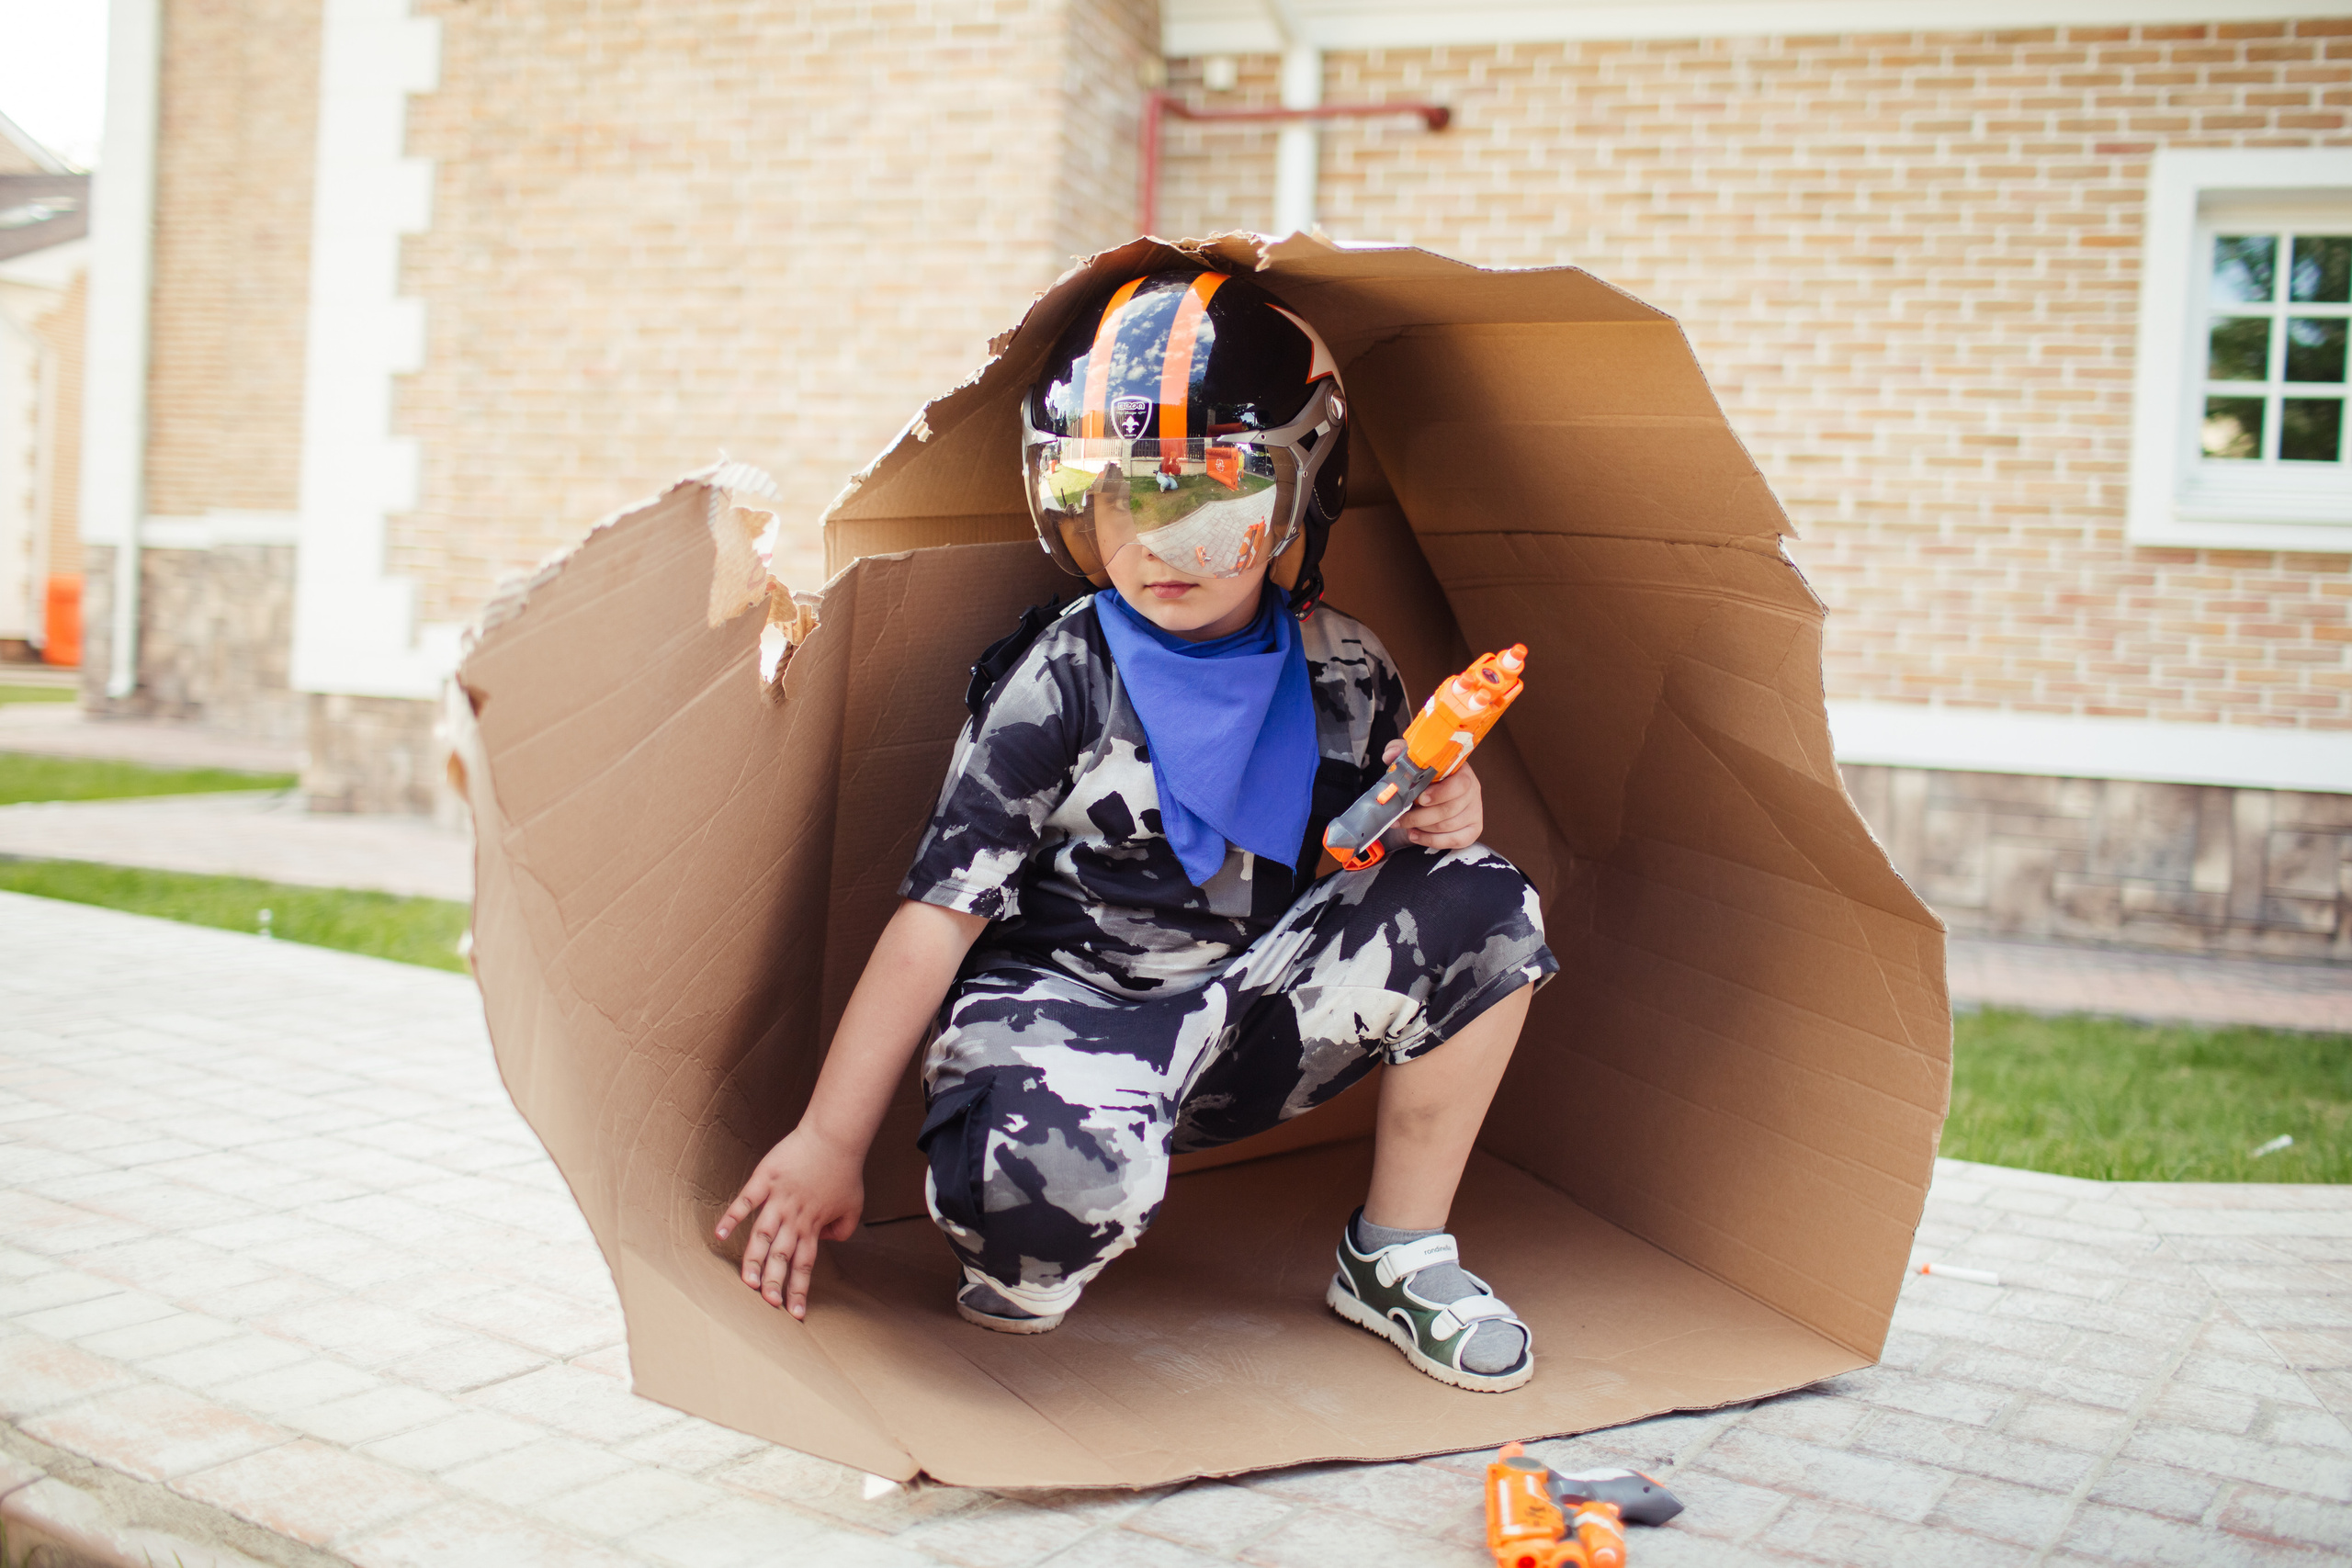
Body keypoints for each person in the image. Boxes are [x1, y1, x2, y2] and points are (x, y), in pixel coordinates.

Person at [717, 267, 1555, 1392]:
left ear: (1297, 494)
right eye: (1117, 498)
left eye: (1208, 501)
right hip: (1070, 1017)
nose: (1157, 545)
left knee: (1488, 898)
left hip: (1245, 1013)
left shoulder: (1347, 667)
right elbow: (937, 917)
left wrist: (1446, 810)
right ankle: (1035, 1232)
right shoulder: (1061, 674)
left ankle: (1394, 1251)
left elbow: (1381, 843)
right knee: (1041, 1212)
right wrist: (827, 1138)